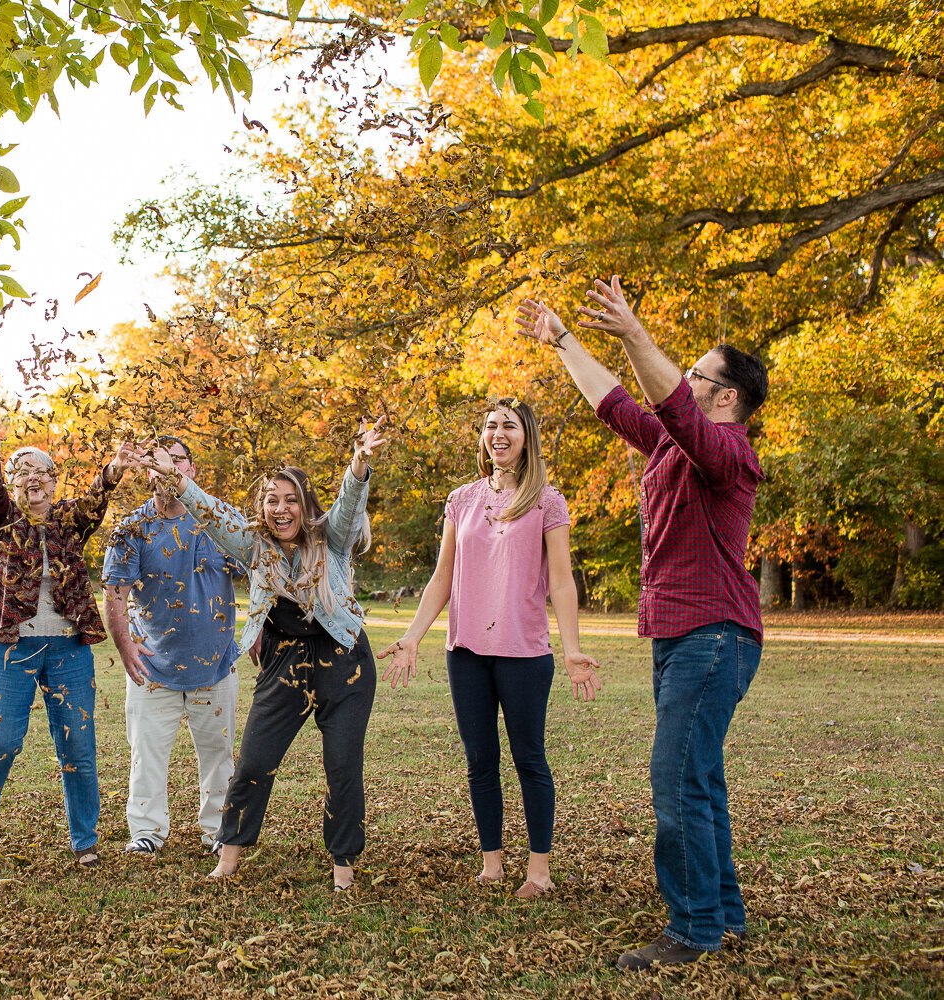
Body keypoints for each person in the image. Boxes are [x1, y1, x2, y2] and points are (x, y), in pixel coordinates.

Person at [518, 277, 768, 970]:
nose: (685, 382)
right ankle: (724, 916)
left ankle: (692, 930)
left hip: (713, 636)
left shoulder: (729, 453)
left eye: (697, 376)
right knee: (700, 777)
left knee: (676, 777)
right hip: (680, 635)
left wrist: (632, 331)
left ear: (726, 397)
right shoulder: (671, 443)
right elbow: (614, 401)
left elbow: (673, 403)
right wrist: (565, 339)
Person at [140, 418, 388, 890]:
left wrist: (359, 462)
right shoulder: (254, 544)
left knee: (342, 763)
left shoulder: (329, 539)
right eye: (272, 500)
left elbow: (349, 505)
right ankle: (229, 856)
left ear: (306, 505)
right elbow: (208, 509)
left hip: (344, 661)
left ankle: (342, 865)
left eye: (291, 498)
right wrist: (173, 474)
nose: (281, 508)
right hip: (285, 663)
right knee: (254, 760)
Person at [379, 399, 602, 900]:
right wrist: (413, 636)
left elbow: (563, 582)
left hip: (524, 652)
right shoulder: (461, 499)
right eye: (490, 425)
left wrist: (571, 650)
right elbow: (443, 577)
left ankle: (538, 871)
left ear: (528, 435)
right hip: (467, 652)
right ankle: (492, 864)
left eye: (509, 425)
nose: (498, 433)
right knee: (480, 760)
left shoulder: (547, 500)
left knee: (529, 759)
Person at [0, 386, 138, 869]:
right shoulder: (2, 522)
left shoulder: (69, 521)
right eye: (22, 472)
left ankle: (84, 839)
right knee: (0, 740)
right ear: (14, 484)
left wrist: (116, 467)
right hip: (13, 647)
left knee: (77, 742)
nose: (31, 479)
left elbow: (98, 497)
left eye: (41, 472)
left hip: (68, 647)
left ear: (56, 482)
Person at [101, 435, 244, 856]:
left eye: (176, 461)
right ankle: (147, 832)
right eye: (157, 462)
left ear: (191, 470)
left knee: (219, 756)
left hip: (215, 664)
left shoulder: (220, 520)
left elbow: (263, 570)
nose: (167, 469)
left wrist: (256, 634)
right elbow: (114, 595)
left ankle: (218, 831)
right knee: (147, 756)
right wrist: (126, 647)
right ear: (146, 473)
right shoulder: (132, 528)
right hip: (153, 668)